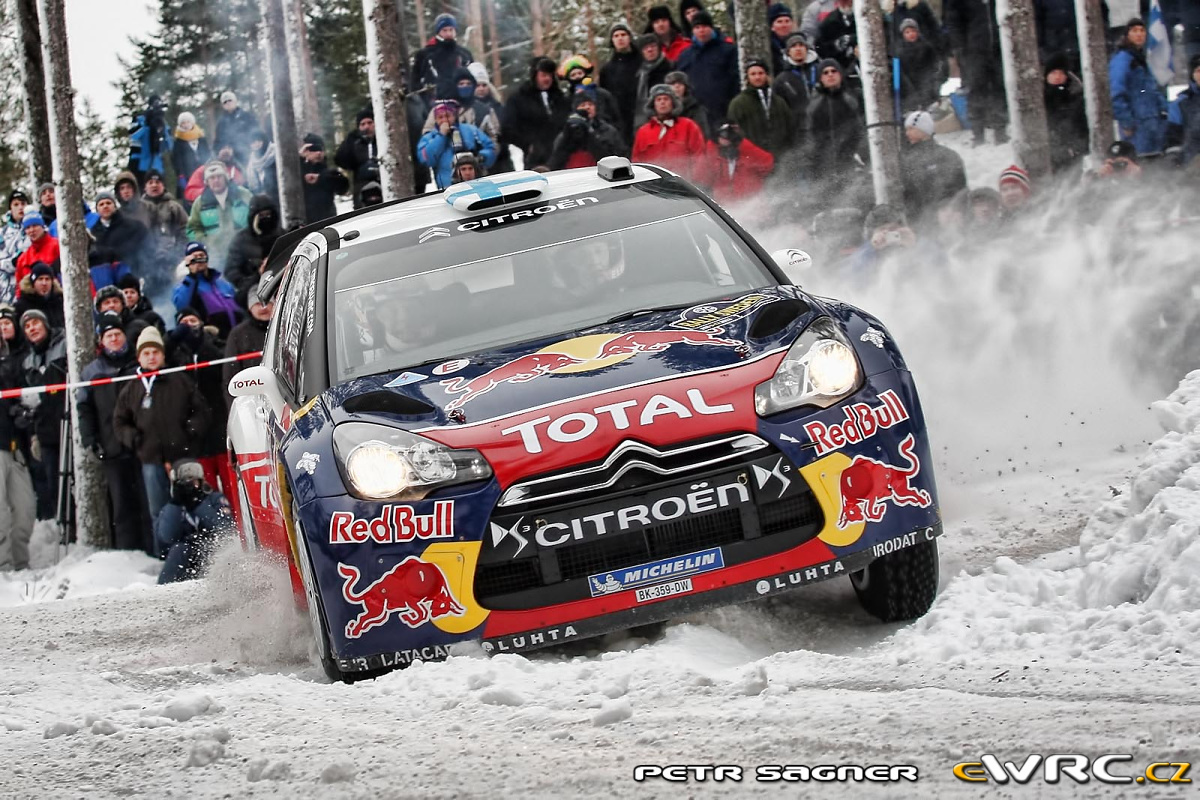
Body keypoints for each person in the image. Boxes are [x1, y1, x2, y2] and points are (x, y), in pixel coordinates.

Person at [114, 326, 210, 527]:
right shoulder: (131, 388)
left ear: (163, 355)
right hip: (151, 458)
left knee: (193, 506)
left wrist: (191, 431)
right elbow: (120, 421)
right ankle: (164, 545)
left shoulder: (180, 380)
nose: (151, 357)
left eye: (155, 352)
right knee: (159, 511)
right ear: (139, 357)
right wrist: (135, 438)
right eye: (146, 353)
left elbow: (201, 410)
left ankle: (197, 544)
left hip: (182, 455)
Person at [77, 312, 152, 553]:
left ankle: (153, 550)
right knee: (121, 506)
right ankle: (127, 553)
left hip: (142, 444)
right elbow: (84, 409)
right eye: (109, 336)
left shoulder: (137, 364)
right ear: (101, 340)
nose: (114, 339)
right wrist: (90, 440)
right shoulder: (92, 371)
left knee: (148, 501)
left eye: (117, 334)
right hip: (111, 447)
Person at [167, 307, 229, 494]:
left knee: (229, 479)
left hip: (219, 419)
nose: (189, 326)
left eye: (193, 321)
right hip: (194, 429)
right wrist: (175, 339)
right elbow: (163, 355)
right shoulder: (176, 352)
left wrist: (202, 345)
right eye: (184, 323)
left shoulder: (215, 343)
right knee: (205, 484)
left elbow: (223, 368)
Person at [16, 308, 66, 520]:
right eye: (27, 326)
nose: (32, 328)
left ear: (45, 324)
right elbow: (29, 401)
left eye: (35, 323)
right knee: (54, 486)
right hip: (46, 432)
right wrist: (34, 433)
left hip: (67, 426)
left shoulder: (64, 344)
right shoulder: (28, 362)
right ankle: (64, 527)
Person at [154, 459, 232, 584]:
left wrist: (199, 505)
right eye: (185, 483)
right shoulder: (173, 507)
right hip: (186, 556)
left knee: (218, 550)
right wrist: (176, 504)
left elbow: (225, 528)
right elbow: (166, 537)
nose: (190, 487)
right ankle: (165, 589)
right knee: (179, 549)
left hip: (212, 549)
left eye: (194, 482)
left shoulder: (215, 499)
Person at [946, 0, 1008, 145]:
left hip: (998, 49)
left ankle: (1000, 130)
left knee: (999, 89)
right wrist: (960, 48)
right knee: (975, 91)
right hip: (973, 51)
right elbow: (953, 21)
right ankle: (978, 133)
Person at [805, 60, 867, 193]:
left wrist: (860, 152)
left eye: (834, 71)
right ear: (820, 78)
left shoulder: (853, 98)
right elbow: (810, 135)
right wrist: (812, 163)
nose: (830, 75)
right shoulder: (815, 105)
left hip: (851, 160)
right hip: (824, 165)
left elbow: (862, 128)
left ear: (840, 74)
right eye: (825, 72)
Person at [1109, 17, 1167, 157]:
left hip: (1153, 123)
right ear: (1127, 35)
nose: (1139, 34)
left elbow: (1152, 89)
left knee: (1157, 162)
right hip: (1137, 126)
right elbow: (1116, 93)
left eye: (1142, 30)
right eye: (1134, 31)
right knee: (1140, 162)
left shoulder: (1140, 59)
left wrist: (1164, 110)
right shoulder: (1122, 59)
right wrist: (1127, 122)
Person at [900, 111, 967, 226]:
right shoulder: (904, 157)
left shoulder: (946, 155)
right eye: (906, 129)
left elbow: (959, 187)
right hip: (915, 218)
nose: (907, 133)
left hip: (944, 217)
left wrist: (951, 207)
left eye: (911, 129)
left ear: (924, 129)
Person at [503, 58, 571, 171]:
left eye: (550, 75)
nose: (547, 79)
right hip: (534, 158)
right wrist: (528, 145)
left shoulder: (560, 98)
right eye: (543, 75)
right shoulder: (519, 98)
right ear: (534, 76)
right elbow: (507, 128)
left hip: (560, 156)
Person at [675, 12, 740, 126]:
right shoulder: (685, 56)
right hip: (694, 113)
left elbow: (736, 81)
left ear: (711, 28)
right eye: (697, 27)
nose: (701, 30)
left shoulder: (728, 51)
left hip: (723, 109)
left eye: (704, 26)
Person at [185, 161, 253, 269]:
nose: (216, 180)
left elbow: (255, 218)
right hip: (215, 258)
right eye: (212, 178)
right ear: (206, 182)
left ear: (226, 177)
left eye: (219, 176)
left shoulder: (243, 195)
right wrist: (206, 243)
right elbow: (193, 229)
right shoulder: (200, 203)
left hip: (245, 253)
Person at [417, 100, 498, 190]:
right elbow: (426, 159)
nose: (444, 120)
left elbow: (490, 147)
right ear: (435, 120)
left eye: (447, 116)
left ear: (454, 116)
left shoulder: (470, 130)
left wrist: (481, 157)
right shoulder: (430, 137)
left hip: (476, 183)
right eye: (440, 117)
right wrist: (441, 136)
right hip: (448, 187)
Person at [632, 84, 707, 180]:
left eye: (666, 99)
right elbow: (637, 162)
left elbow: (699, 157)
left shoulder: (688, 126)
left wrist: (696, 182)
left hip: (683, 183)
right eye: (658, 99)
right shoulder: (643, 131)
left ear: (673, 103)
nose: (662, 102)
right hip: (653, 185)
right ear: (653, 105)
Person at [727, 58, 795, 157]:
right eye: (753, 74)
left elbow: (790, 128)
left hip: (781, 156)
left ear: (767, 75)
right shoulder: (738, 103)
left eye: (761, 73)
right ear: (747, 77)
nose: (757, 77)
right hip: (753, 157)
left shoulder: (779, 102)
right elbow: (734, 133)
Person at [172, 242, 241, 338]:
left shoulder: (223, 283)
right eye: (194, 257)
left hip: (236, 334)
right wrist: (192, 276)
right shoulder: (185, 286)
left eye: (201, 255)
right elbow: (182, 306)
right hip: (211, 338)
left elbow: (239, 304)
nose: (199, 259)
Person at [224, 195, 282, 309]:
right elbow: (231, 271)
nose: (265, 218)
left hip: (281, 289)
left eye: (268, 214)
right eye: (261, 215)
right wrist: (254, 277)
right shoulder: (241, 240)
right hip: (253, 293)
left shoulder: (282, 236)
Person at [549, 89, 627, 169]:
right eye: (583, 105)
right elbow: (556, 160)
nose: (587, 107)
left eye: (590, 104)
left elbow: (619, 155)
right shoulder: (566, 133)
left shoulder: (608, 131)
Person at [696, 123, 774, 204]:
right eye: (723, 134)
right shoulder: (713, 154)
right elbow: (701, 177)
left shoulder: (748, 153)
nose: (727, 138)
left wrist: (742, 144)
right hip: (725, 205)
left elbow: (768, 165)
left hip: (751, 202)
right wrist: (712, 146)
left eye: (731, 134)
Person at [223, 289, 273, 410]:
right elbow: (230, 376)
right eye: (257, 304)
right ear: (250, 308)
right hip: (254, 402)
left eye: (267, 303)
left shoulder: (285, 325)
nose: (263, 308)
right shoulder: (238, 334)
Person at [409, 14, 474, 101]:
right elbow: (415, 82)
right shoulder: (425, 54)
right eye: (444, 30)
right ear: (438, 31)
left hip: (462, 101)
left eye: (451, 30)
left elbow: (473, 78)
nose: (448, 33)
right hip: (433, 102)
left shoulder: (464, 54)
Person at [1044, 52, 1090, 173]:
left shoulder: (1076, 95)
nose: (1057, 77)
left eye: (1061, 73)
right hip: (1048, 151)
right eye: (1054, 72)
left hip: (1072, 150)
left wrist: (1080, 146)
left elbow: (1082, 124)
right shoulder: (1039, 98)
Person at [139, 168, 189, 278]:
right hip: (147, 263)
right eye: (150, 183)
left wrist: (177, 254)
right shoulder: (139, 210)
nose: (154, 185)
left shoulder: (174, 207)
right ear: (145, 187)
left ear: (163, 186)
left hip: (172, 260)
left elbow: (185, 231)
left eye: (158, 182)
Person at [600, 23, 643, 145]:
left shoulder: (642, 62)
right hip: (619, 120)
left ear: (629, 37)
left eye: (623, 35)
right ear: (612, 41)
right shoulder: (607, 70)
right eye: (616, 36)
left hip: (642, 114)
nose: (620, 38)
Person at [467, 62, 514, 174]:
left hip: (502, 160)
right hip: (478, 161)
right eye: (478, 85)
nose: (481, 89)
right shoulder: (466, 109)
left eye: (484, 85)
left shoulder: (498, 106)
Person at [558, 56, 624, 132]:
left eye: (580, 73)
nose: (577, 77)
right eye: (573, 75)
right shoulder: (567, 99)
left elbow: (616, 117)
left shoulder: (602, 94)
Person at [89, 190, 148, 272]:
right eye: (101, 204)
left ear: (115, 206)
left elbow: (142, 246)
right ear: (97, 210)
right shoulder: (93, 232)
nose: (105, 206)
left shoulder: (132, 226)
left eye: (108, 203)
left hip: (130, 272)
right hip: (105, 274)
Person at [775, 32, 820, 138]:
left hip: (824, 126)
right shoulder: (782, 80)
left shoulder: (820, 70)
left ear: (807, 49)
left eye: (801, 45)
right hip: (798, 132)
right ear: (788, 52)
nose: (798, 49)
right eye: (794, 46)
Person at [335, 107, 380, 209]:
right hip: (361, 187)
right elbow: (340, 159)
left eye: (369, 123)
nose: (366, 126)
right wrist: (350, 140)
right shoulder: (355, 142)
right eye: (362, 124)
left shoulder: (382, 139)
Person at [299, 134, 349, 224]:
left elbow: (343, 186)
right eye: (313, 149)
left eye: (320, 149)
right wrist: (300, 159)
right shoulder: (298, 170)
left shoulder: (328, 172)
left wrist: (320, 178)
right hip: (305, 222)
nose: (318, 153)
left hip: (327, 220)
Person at [897, 18, 944, 113]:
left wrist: (933, 81)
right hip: (910, 87)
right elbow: (901, 73)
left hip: (928, 85)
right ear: (903, 35)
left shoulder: (926, 47)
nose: (911, 34)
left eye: (913, 31)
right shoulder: (900, 52)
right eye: (907, 32)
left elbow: (935, 64)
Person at [634, 35, 676, 130]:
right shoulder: (638, 72)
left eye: (653, 46)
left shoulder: (670, 67)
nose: (650, 50)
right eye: (646, 48)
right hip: (643, 120)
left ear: (659, 48)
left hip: (667, 118)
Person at [126, 96, 171, 184]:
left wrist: (162, 127)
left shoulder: (162, 122)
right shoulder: (139, 118)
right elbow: (133, 136)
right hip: (139, 162)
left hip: (156, 164)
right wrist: (146, 124)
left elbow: (169, 145)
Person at [1166, 55, 1200, 169]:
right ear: (1192, 75)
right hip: (1191, 160)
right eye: (1198, 71)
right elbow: (1173, 135)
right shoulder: (1181, 103)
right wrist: (1173, 158)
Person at [214, 91, 261, 166]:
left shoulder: (247, 116)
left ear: (235, 101)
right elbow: (217, 141)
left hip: (247, 154)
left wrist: (253, 143)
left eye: (230, 100)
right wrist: (221, 150)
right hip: (229, 159)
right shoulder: (221, 123)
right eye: (225, 102)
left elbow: (256, 133)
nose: (228, 103)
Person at [14, 213, 58, 291]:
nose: (31, 230)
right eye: (28, 227)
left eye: (35, 226)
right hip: (32, 297)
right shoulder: (23, 258)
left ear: (42, 226)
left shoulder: (57, 247)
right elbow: (19, 288)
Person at [172, 112, 212, 196]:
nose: (186, 125)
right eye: (183, 123)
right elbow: (177, 160)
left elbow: (208, 154)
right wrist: (180, 175)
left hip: (204, 172)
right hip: (188, 175)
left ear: (192, 122)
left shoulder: (201, 138)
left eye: (188, 122)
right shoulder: (178, 141)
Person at [816, 0, 859, 80]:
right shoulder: (829, 22)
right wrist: (836, 45)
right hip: (840, 71)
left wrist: (854, 39)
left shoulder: (866, 18)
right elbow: (820, 48)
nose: (845, 2)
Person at [1, 191, 30, 306]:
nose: (20, 207)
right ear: (10, 208)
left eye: (23, 204)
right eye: (16, 204)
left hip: (28, 285)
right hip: (6, 290)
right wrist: (14, 261)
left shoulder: (36, 228)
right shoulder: (2, 233)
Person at [15, 263, 65, 330]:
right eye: (40, 279)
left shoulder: (60, 301)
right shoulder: (22, 306)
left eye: (47, 279)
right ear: (33, 283)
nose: (44, 283)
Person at [665, 71, 712, 139]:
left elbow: (702, 133)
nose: (676, 86)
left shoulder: (696, 109)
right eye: (672, 84)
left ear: (686, 87)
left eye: (680, 83)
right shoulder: (658, 108)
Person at [244, 129, 278, 203]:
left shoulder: (276, 153)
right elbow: (254, 186)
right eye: (253, 142)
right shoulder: (252, 162)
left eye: (259, 140)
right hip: (265, 200)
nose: (256, 144)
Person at [769, 4, 796, 74]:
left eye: (787, 21)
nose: (784, 25)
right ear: (772, 27)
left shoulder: (798, 43)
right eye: (779, 22)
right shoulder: (769, 46)